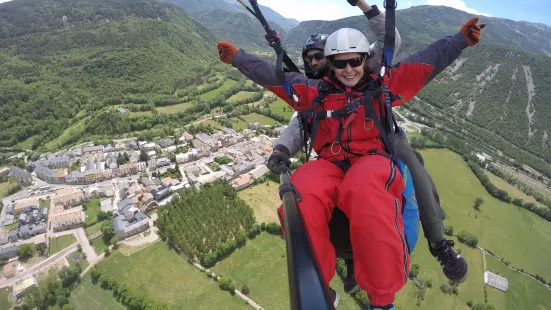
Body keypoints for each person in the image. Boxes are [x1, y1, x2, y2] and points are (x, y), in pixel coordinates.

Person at [218, 11, 484, 310]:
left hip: (372, 159)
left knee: (365, 186)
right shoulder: (314, 93)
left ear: (363, 59)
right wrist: (239, 58)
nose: (347, 69)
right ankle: (318, 284)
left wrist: (460, 40)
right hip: (330, 162)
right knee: (301, 188)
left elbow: (426, 62)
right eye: (339, 63)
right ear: (330, 65)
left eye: (354, 61)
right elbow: (273, 77)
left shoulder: (384, 85)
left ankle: (382, 300)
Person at [270, 0, 468, 297]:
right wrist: (282, 149)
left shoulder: (360, 69)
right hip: (335, 155)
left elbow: (391, 41)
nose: (313, 63)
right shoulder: (311, 93)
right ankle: (346, 269)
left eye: (317, 57)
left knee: (411, 165)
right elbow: (298, 127)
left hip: (381, 138)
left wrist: (365, 6)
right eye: (308, 58)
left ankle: (439, 242)